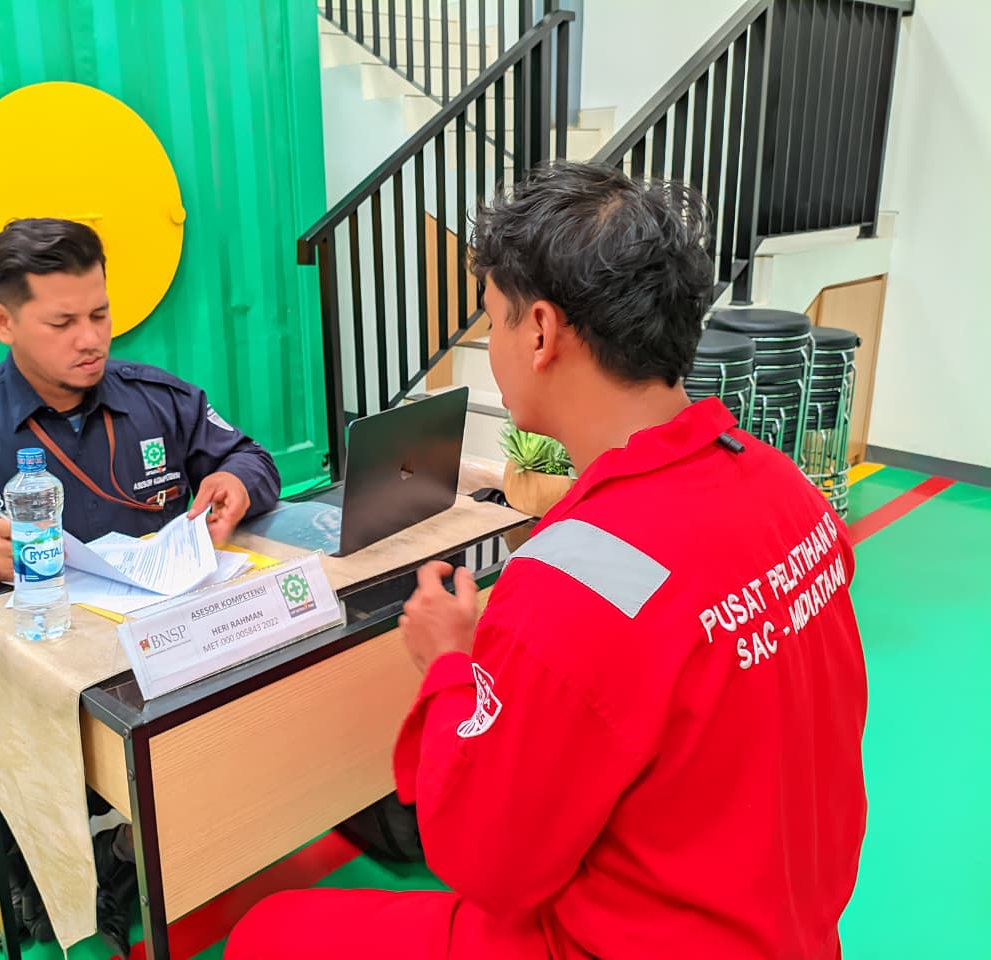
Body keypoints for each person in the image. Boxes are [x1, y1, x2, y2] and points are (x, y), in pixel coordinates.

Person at [225, 162, 868, 959]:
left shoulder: (569, 581)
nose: (492, 344)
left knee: (267, 934)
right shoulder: (785, 488)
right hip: (788, 928)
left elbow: (484, 866)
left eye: (491, 321)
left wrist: (452, 664)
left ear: (539, 331)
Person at [0, 218, 280, 952]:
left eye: (100, 314)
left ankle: (121, 852)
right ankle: (30, 858)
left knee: (265, 736)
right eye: (62, 323)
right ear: (4, 322)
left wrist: (237, 482)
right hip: (23, 677)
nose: (91, 340)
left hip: (161, 649)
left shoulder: (158, 400)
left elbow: (250, 457)